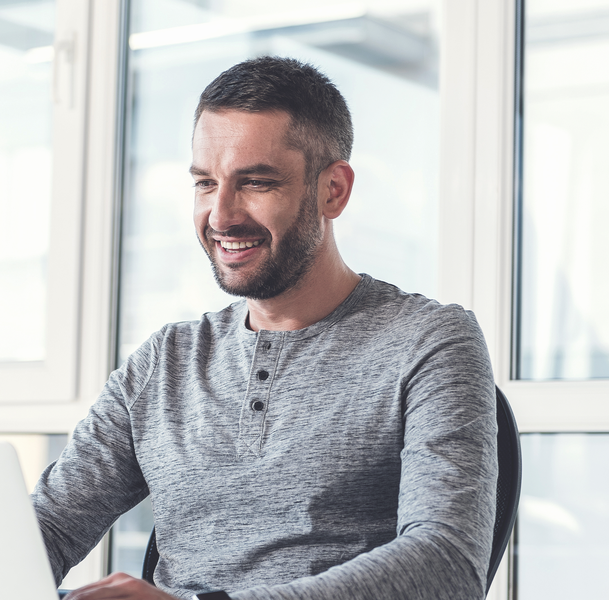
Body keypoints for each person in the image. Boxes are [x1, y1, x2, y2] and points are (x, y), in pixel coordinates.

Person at [32, 56, 497, 600]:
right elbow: (43, 531)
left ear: (333, 191)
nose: (221, 215)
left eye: (255, 182)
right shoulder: (166, 361)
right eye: (205, 183)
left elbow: (447, 562)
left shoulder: (431, 341)